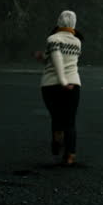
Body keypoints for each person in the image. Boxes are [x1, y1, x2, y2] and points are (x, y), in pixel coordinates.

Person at [40, 10, 82, 166]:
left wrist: (62, 80)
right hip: (73, 84)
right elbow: (56, 57)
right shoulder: (77, 42)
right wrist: (66, 81)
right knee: (70, 120)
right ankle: (70, 155)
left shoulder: (52, 39)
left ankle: (57, 136)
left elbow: (56, 57)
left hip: (50, 85)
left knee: (56, 115)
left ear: (58, 21)